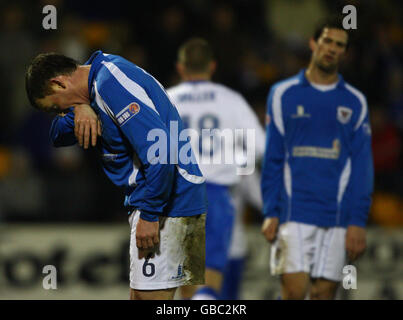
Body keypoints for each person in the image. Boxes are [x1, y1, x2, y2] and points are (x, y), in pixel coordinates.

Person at [25, 50, 207, 300]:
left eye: (56, 106)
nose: (60, 110)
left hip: (169, 201)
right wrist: (81, 106)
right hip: (168, 196)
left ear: (59, 83)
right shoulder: (96, 79)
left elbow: (161, 151)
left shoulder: (110, 84)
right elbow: (56, 134)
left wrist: (151, 213)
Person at [261, 16, 374, 300]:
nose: (332, 49)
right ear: (314, 43)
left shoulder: (355, 101)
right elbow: (273, 157)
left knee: (324, 295)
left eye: (340, 45)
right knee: (294, 290)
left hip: (337, 217)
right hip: (293, 213)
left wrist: (358, 221)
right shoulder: (282, 93)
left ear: (345, 53)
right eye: (327, 41)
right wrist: (270, 211)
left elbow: (362, 165)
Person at [167, 38, 265, 300]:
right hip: (218, 195)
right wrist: (232, 158)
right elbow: (260, 147)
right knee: (211, 283)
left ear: (180, 67)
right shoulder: (231, 100)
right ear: (212, 66)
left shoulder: (166, 99)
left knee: (187, 285)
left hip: (178, 195)